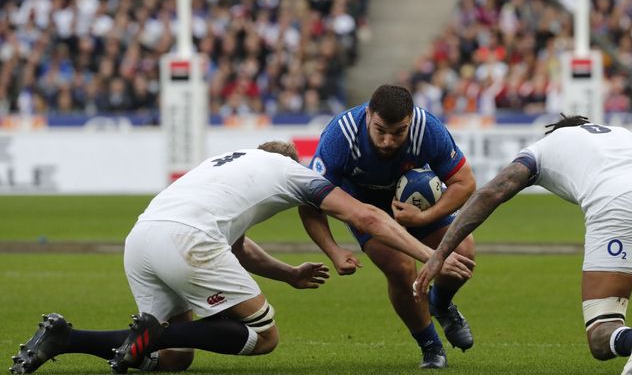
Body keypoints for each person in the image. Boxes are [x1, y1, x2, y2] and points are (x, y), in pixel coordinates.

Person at [10, 141, 474, 374]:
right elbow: (368, 218)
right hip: (186, 239)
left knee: (175, 358)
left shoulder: (225, 163)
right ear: (294, 161)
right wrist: (431, 255)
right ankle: (152, 334)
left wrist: (288, 273)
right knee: (263, 336)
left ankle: (65, 338)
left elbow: (234, 245)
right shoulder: (294, 172)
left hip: (142, 238)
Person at [415, 115, 632, 375]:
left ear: (558, 130)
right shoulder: (626, 136)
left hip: (615, 203)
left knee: (602, 334)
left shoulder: (541, 148)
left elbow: (492, 192)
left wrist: (440, 254)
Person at [304, 84, 477, 369]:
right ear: (368, 115)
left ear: (410, 120)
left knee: (464, 252)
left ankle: (441, 304)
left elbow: (465, 183)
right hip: (362, 207)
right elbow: (310, 200)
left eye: (398, 132)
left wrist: (422, 218)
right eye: (380, 130)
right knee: (400, 268)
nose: (388, 141)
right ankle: (431, 347)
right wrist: (333, 250)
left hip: (415, 206)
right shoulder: (341, 135)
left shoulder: (426, 129)